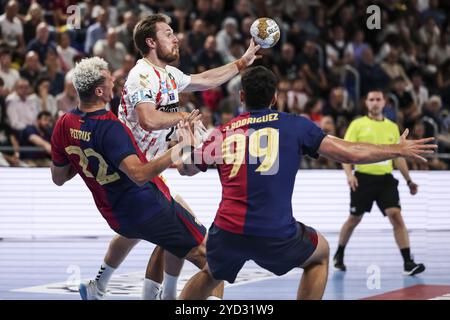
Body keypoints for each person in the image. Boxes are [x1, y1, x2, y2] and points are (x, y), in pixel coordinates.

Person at [175, 66, 436, 300]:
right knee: (320, 255)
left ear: (241, 97)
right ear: (275, 97)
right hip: (275, 232)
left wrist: (187, 141)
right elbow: (350, 152)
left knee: (211, 272)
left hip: (227, 231)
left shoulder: (221, 132)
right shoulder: (295, 126)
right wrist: (396, 149)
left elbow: (185, 168)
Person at [82, 13, 260, 300]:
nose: (176, 37)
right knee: (197, 243)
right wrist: (181, 119)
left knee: (143, 234)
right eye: (168, 33)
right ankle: (175, 297)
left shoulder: (167, 74)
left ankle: (100, 286)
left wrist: (241, 63)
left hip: (147, 175)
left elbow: (203, 79)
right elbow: (148, 119)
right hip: (135, 174)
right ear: (151, 42)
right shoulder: (142, 75)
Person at [50, 57, 213, 300]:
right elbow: (138, 175)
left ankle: (107, 286)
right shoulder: (111, 127)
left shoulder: (64, 124)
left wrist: (83, 153)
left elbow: (58, 178)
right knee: (212, 258)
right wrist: (181, 147)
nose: (114, 79)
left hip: (116, 217)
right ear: (99, 90)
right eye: (108, 79)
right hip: (147, 205)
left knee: (168, 240)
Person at [333, 90, 427, 276]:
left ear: (384, 103)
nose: (375, 103)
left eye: (378, 99)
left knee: (396, 215)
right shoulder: (358, 124)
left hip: (385, 180)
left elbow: (398, 157)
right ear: (366, 103)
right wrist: (349, 175)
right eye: (371, 100)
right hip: (363, 178)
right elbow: (345, 152)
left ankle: (408, 262)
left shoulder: (392, 127)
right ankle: (339, 254)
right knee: (354, 219)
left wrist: (409, 181)